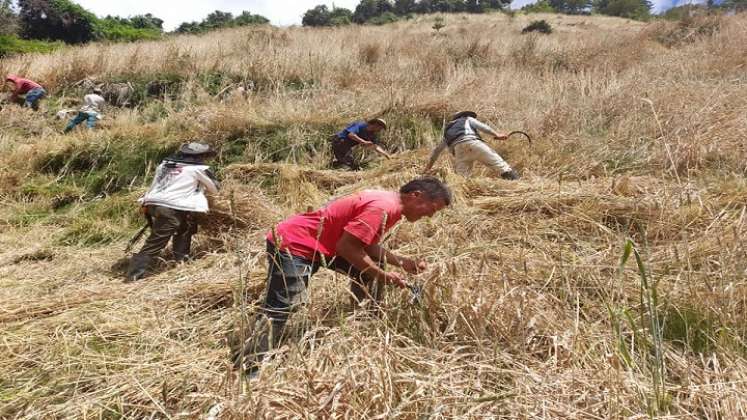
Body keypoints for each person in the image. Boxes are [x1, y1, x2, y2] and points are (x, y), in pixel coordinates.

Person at [234, 177, 452, 370]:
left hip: (323, 244)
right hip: (295, 244)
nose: (430, 216)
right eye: (431, 209)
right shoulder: (383, 208)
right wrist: (382, 276)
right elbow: (347, 248)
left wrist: (404, 263)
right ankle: (249, 364)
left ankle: (365, 322)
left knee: (368, 271)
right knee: (283, 305)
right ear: (416, 196)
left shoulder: (391, 205)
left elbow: (366, 245)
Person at [126, 142, 220, 282]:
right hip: (171, 207)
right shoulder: (199, 168)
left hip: (152, 203)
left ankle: (182, 261)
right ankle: (135, 274)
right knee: (157, 241)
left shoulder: (165, 164)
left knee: (186, 226)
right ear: (201, 156)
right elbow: (215, 189)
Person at [424, 111, 520, 180]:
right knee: (501, 166)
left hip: (459, 151)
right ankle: (517, 185)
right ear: (464, 116)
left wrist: (428, 168)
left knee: (461, 180)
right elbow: (483, 127)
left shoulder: (448, 130)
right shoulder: (467, 119)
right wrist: (497, 134)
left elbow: (437, 151)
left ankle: (462, 200)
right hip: (473, 143)